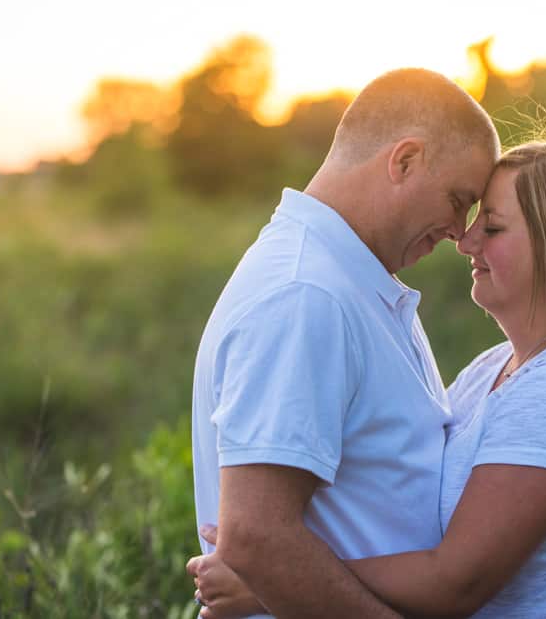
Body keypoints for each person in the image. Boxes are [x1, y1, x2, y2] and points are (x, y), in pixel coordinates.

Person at [190, 139, 546, 618]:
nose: (466, 242)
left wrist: (269, 579)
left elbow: (457, 579)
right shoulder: (493, 368)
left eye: (494, 227)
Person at [187, 68, 500, 618]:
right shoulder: (306, 294)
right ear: (404, 161)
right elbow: (258, 537)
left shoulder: (350, 283)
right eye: (458, 200)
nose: (460, 230)